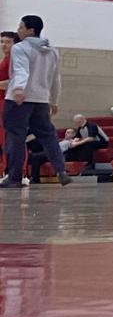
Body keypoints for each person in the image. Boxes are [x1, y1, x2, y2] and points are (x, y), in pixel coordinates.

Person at [4, 15, 65, 189]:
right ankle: (61, 170)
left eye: (21, 27)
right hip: (41, 100)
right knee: (48, 136)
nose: (18, 30)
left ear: (30, 30)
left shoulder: (20, 48)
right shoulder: (53, 51)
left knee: (16, 138)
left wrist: (18, 89)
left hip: (19, 100)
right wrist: (54, 100)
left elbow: (21, 70)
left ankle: (14, 178)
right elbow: (55, 79)